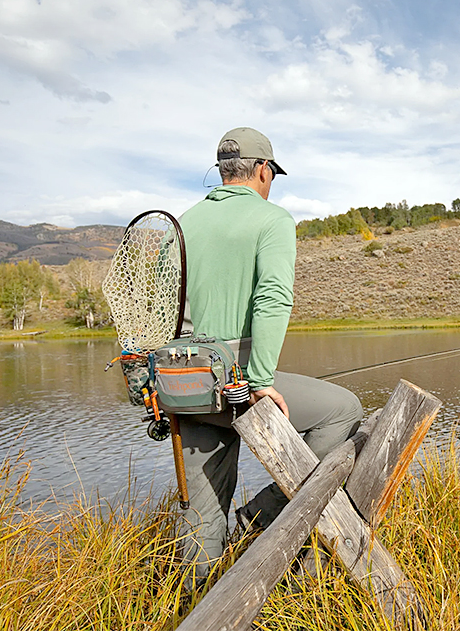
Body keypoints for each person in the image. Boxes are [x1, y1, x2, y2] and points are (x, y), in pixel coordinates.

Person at [177, 127, 363, 582]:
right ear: (262, 170)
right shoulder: (273, 219)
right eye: (271, 174)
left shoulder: (181, 222)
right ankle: (261, 524)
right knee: (344, 412)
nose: (271, 183)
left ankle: (192, 603)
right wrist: (260, 381)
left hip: (183, 385)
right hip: (237, 385)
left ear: (222, 171)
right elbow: (274, 297)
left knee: (199, 522)